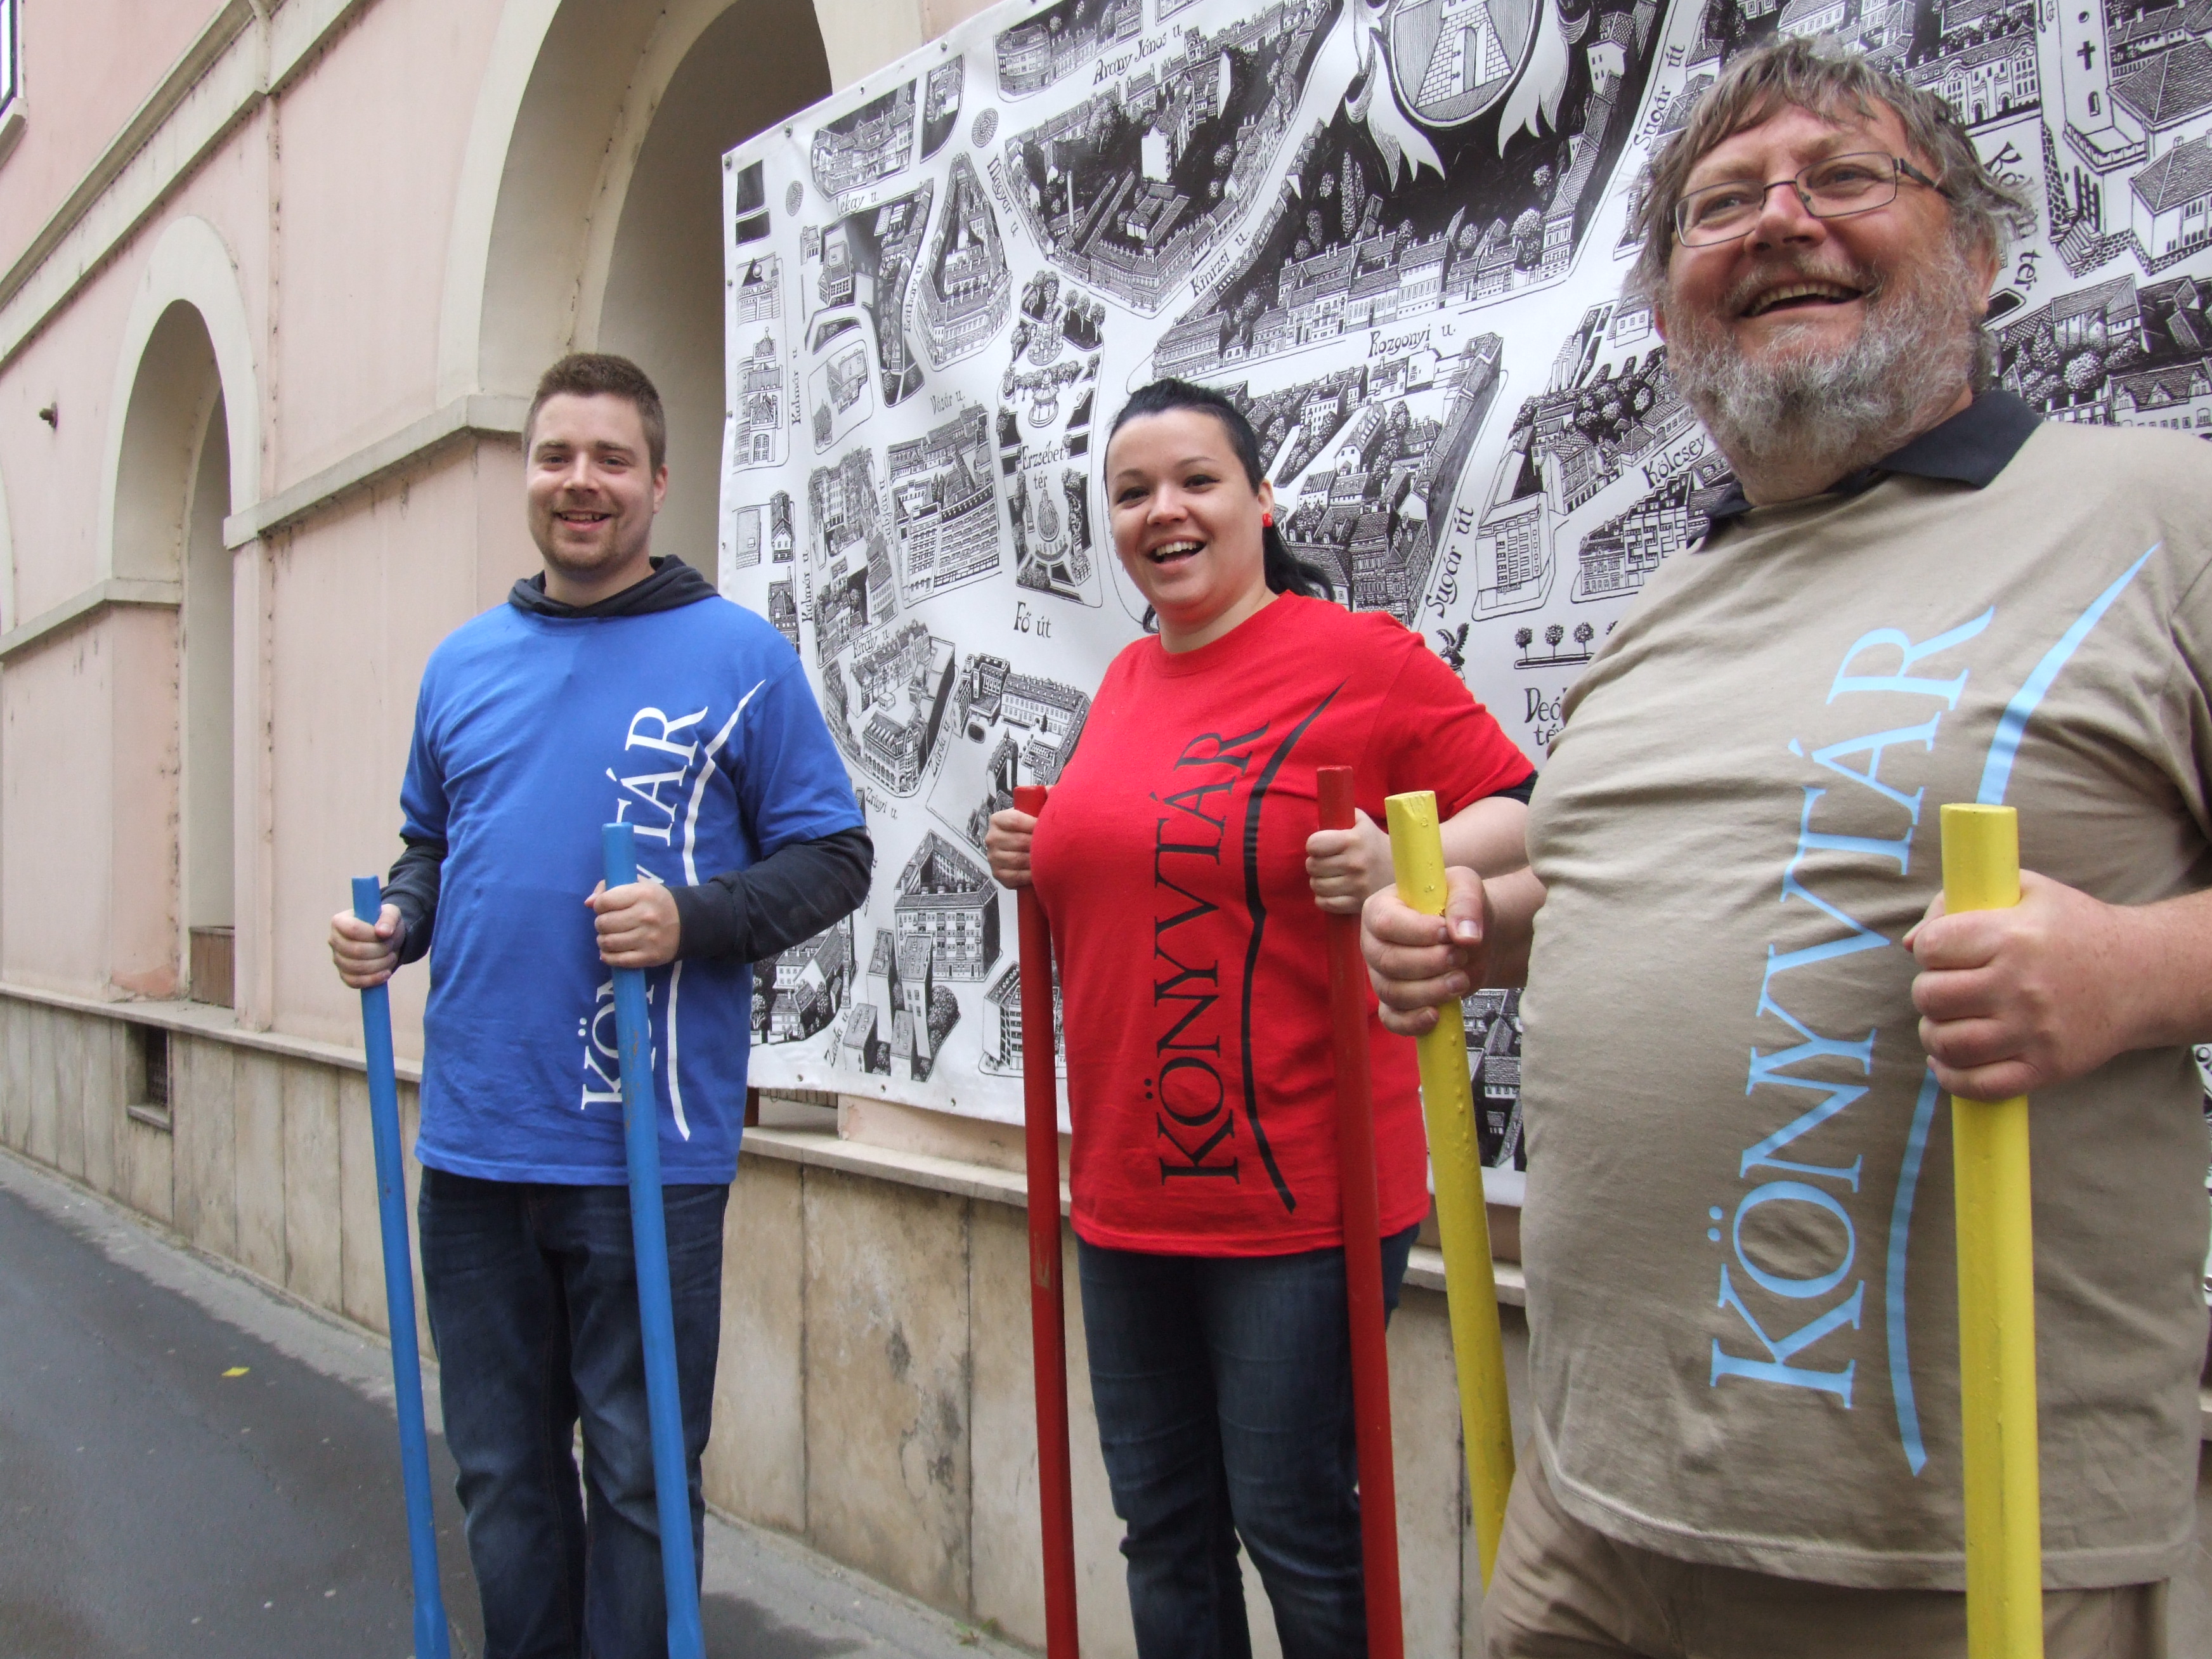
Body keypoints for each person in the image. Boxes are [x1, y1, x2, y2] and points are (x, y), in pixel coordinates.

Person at [1360, 37, 2212, 1659]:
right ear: (1669, 308)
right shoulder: (1671, 598)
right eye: (1721, 203)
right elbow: (1637, 889)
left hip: (1950, 1548)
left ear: (1977, 252)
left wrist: (2135, 972)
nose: (1777, 222)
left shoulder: (2159, 515)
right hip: (1587, 1509)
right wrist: (1474, 925)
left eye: (1844, 177)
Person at [327, 353, 869, 1658]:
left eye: (611, 459)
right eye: (557, 456)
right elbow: (430, 845)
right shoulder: (462, 665)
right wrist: (396, 920)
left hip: (647, 1151)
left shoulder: (740, 656)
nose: (582, 482)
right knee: (502, 1475)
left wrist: (691, 918)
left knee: (637, 1480)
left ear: (657, 481)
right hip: (475, 1143)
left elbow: (834, 857)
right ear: (528, 475)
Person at [986, 379, 1535, 1659]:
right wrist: (1039, 847)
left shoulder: (1359, 657)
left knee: (1298, 1528)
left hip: (1299, 1196)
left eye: (1197, 481)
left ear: (1261, 499)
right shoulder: (1127, 678)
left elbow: (1524, 809)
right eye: (1132, 493)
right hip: (1124, 1191)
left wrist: (1406, 857)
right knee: (1163, 1528)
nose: (1163, 512)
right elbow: (1131, 862)